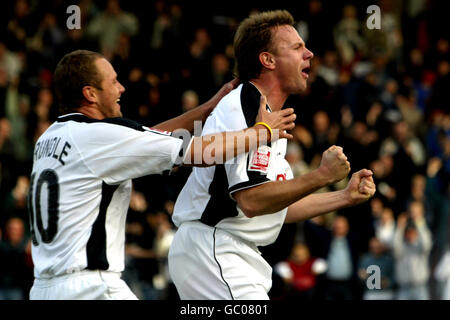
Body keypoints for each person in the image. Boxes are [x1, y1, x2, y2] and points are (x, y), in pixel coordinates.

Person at [27, 49, 296, 300]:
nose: (121, 88)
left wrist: (208, 108)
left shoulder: (50, 138)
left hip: (43, 287)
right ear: (91, 94)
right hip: (90, 286)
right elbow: (199, 153)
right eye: (113, 82)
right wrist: (261, 132)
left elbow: (145, 139)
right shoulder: (97, 137)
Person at [168, 10, 376, 300]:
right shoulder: (245, 105)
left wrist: (344, 197)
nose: (309, 54)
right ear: (267, 60)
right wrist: (321, 176)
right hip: (214, 249)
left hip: (229, 251)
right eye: (297, 47)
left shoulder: (270, 118)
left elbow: (279, 206)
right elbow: (252, 200)